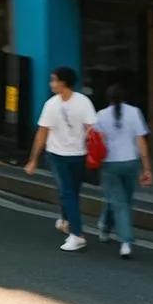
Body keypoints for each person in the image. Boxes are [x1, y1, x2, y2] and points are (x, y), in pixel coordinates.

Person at [25, 67, 96, 252]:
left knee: (69, 192)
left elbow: (42, 133)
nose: (51, 83)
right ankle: (70, 225)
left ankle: (77, 235)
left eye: (54, 80)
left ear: (63, 82)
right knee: (69, 192)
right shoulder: (82, 102)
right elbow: (91, 128)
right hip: (64, 155)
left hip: (71, 155)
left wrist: (33, 159)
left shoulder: (53, 104)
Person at [93, 78, 152, 259]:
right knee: (123, 201)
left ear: (108, 98)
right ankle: (112, 231)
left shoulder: (101, 115)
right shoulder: (135, 113)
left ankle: (120, 237)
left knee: (118, 202)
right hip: (131, 163)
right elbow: (141, 141)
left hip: (110, 164)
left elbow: (98, 142)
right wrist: (147, 168)